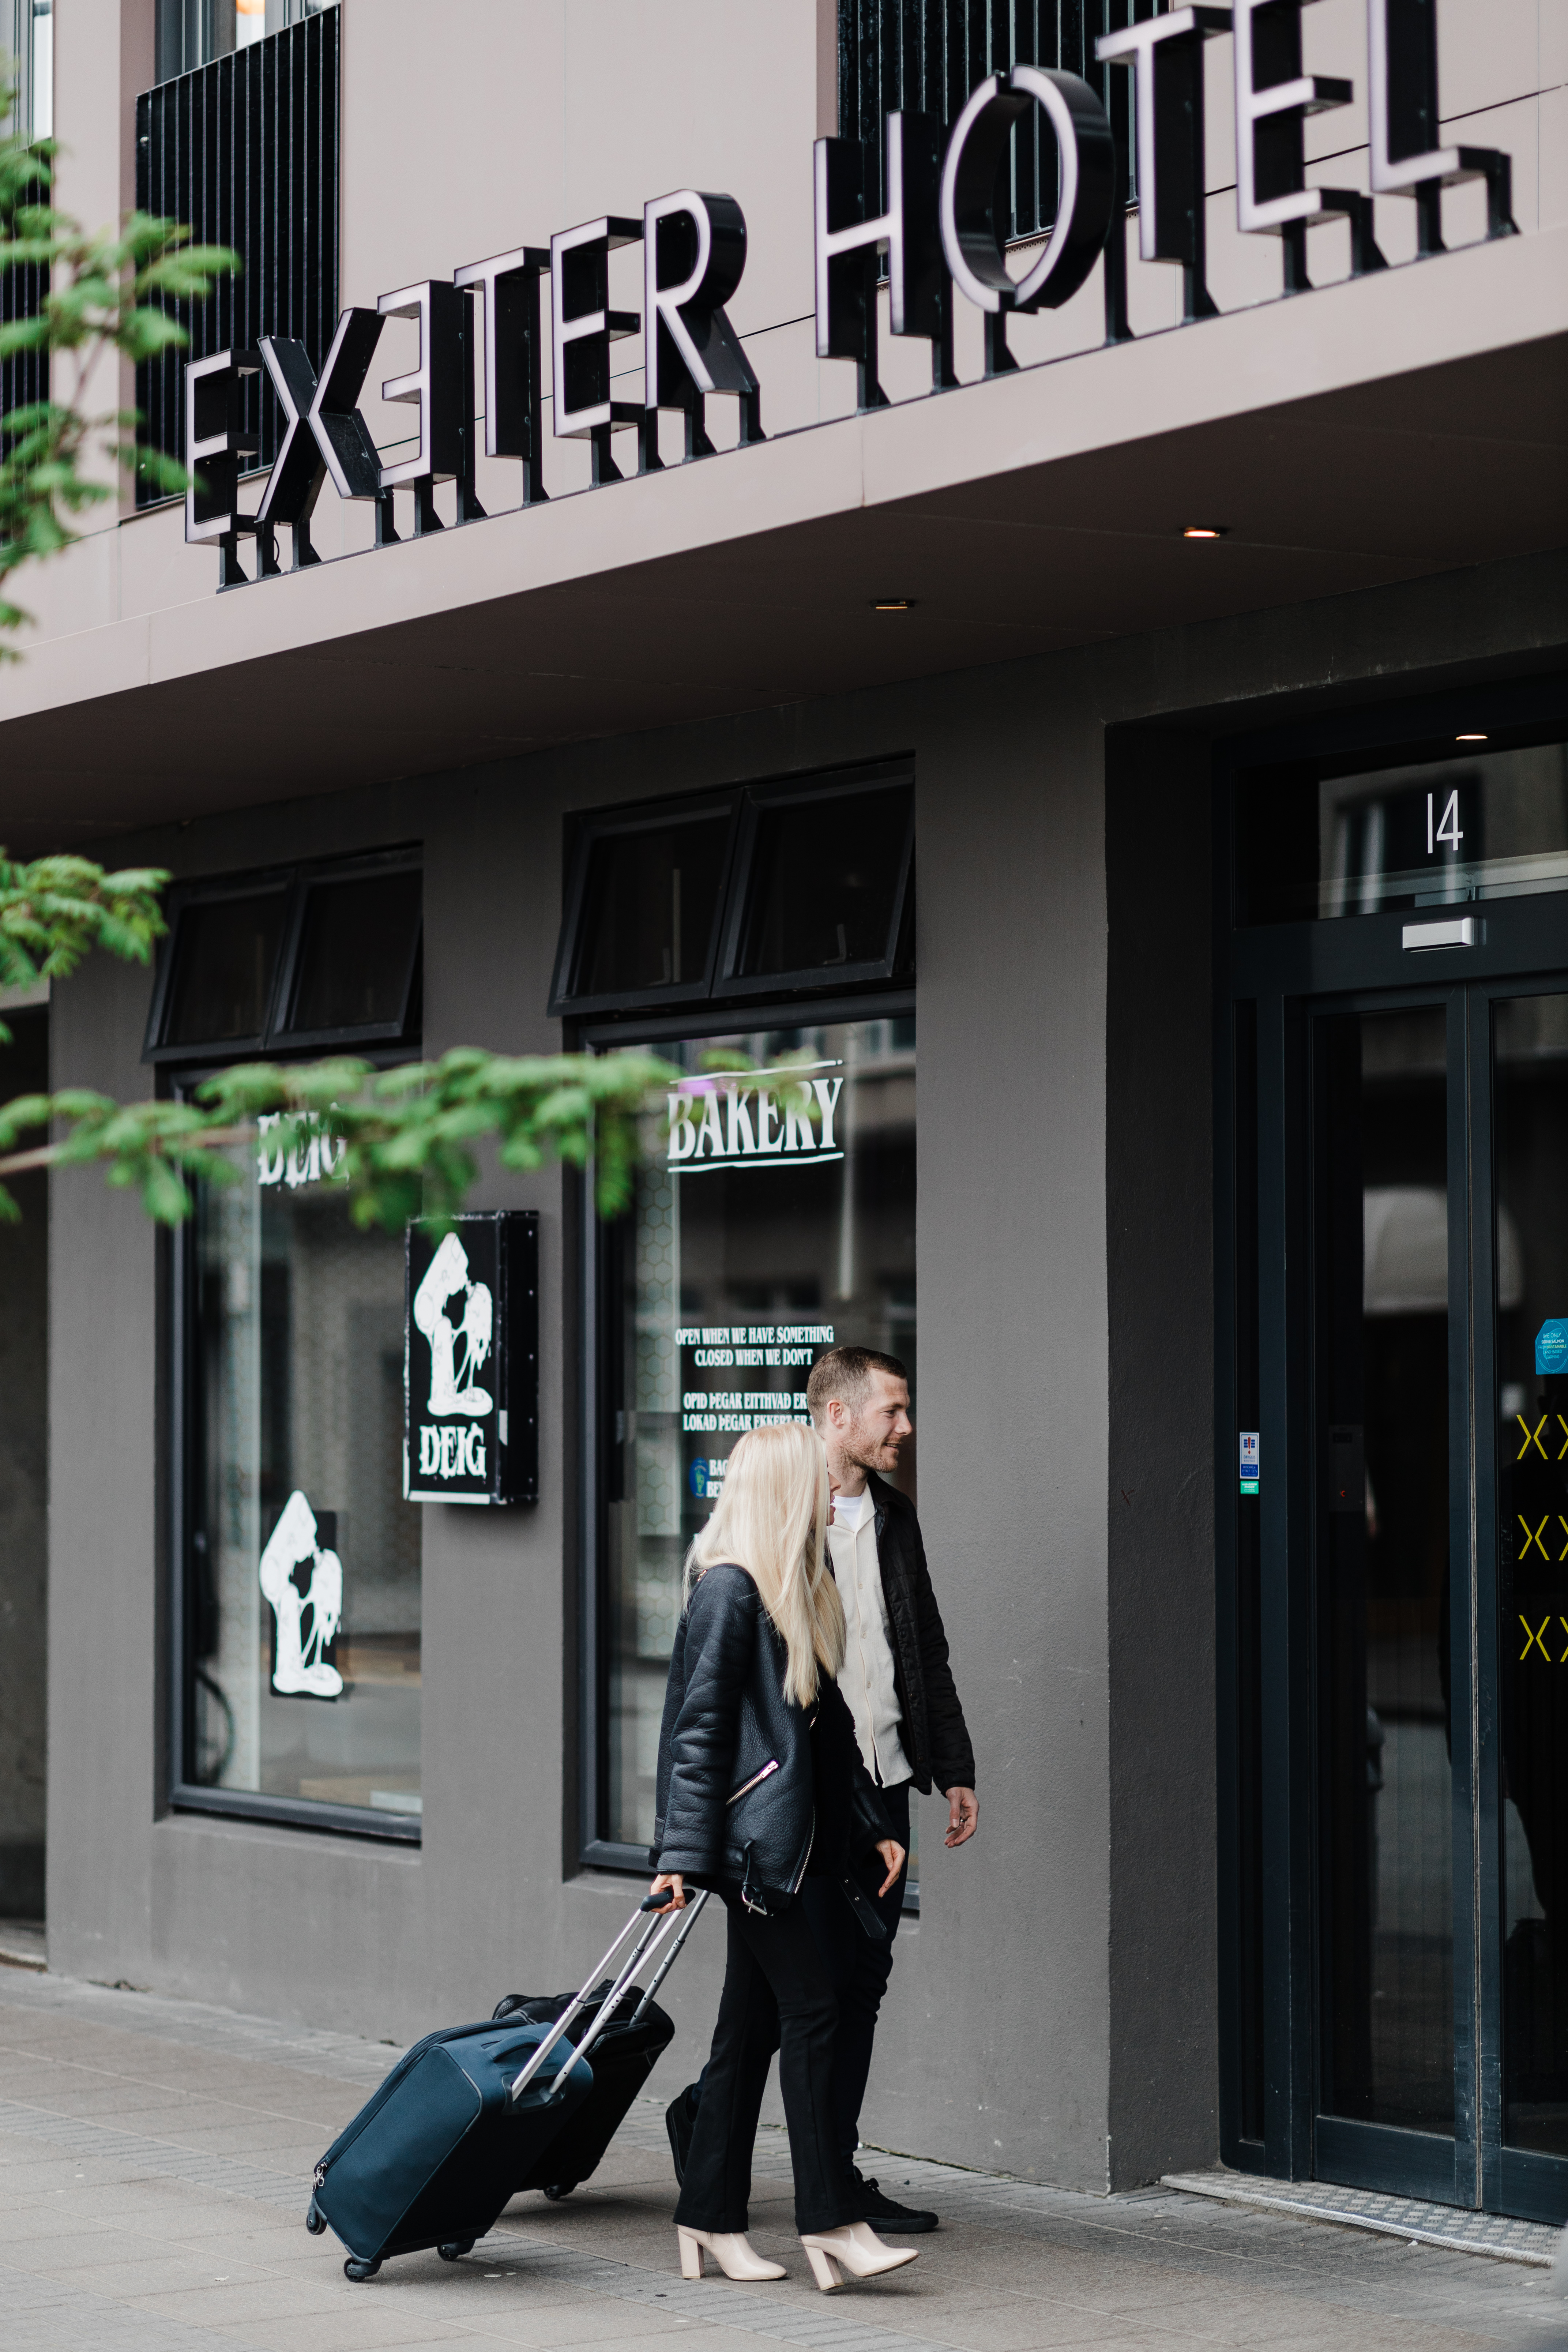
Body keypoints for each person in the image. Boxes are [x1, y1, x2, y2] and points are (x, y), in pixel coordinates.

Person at [667, 1347, 977, 2233]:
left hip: (877, 1781)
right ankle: (815, 2192)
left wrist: (949, 1765)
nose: (905, 1428)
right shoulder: (772, 1534)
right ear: (835, 1416)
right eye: (892, 1410)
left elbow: (922, 1649)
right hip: (798, 1806)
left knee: (839, 1989)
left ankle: (774, 2171)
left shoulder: (893, 1519)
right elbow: (710, 1717)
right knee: (805, 1997)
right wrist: (688, 1848)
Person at [648, 1420, 920, 2293]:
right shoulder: (728, 1588)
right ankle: (832, 2220)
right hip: (757, 1854)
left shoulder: (794, 1585)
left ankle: (707, 2214)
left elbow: (826, 1730)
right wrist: (683, 1855)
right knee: (816, 2011)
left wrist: (871, 1820)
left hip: (795, 1845)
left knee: (750, 2031)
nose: (828, 1491)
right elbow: (697, 1734)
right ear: (783, 1490)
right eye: (814, 1479)